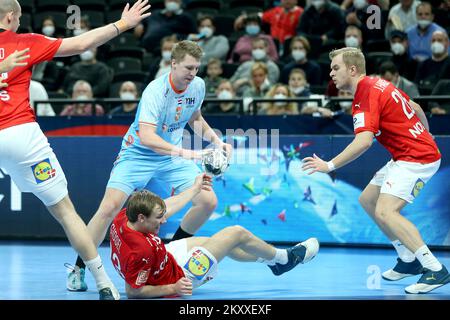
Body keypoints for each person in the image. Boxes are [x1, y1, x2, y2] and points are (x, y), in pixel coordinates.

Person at [0, 0, 151, 300]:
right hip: (21, 135)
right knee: (66, 212)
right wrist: (122, 25)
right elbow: (82, 42)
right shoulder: (25, 41)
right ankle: (103, 282)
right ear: (10, 16)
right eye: (16, 18)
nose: (18, 22)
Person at [67, 40, 233, 291]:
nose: (192, 73)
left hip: (171, 157)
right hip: (138, 154)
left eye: (196, 68)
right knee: (109, 207)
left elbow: (195, 118)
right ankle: (79, 268)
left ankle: (171, 253)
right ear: (173, 64)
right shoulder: (155, 92)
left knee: (208, 201)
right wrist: (188, 153)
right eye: (188, 67)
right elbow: (147, 137)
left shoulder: (197, 86)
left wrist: (217, 141)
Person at [302, 47, 450, 294]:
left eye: (335, 68)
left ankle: (435, 268)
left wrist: (329, 166)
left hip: (417, 158)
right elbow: (415, 107)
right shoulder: (378, 83)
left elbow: (364, 142)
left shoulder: (364, 95)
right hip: (409, 153)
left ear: (352, 69)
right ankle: (407, 259)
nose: (331, 73)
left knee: (386, 211)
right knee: (368, 200)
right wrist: (426, 134)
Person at [110, 175, 320, 298]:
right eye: (158, 218)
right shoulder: (141, 252)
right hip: (180, 277)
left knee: (223, 243)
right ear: (141, 217)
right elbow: (133, 292)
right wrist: (173, 287)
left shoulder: (123, 217)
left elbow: (166, 208)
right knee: (235, 233)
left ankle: (274, 262)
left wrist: (193, 190)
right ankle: (285, 258)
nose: (163, 221)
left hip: (165, 258)